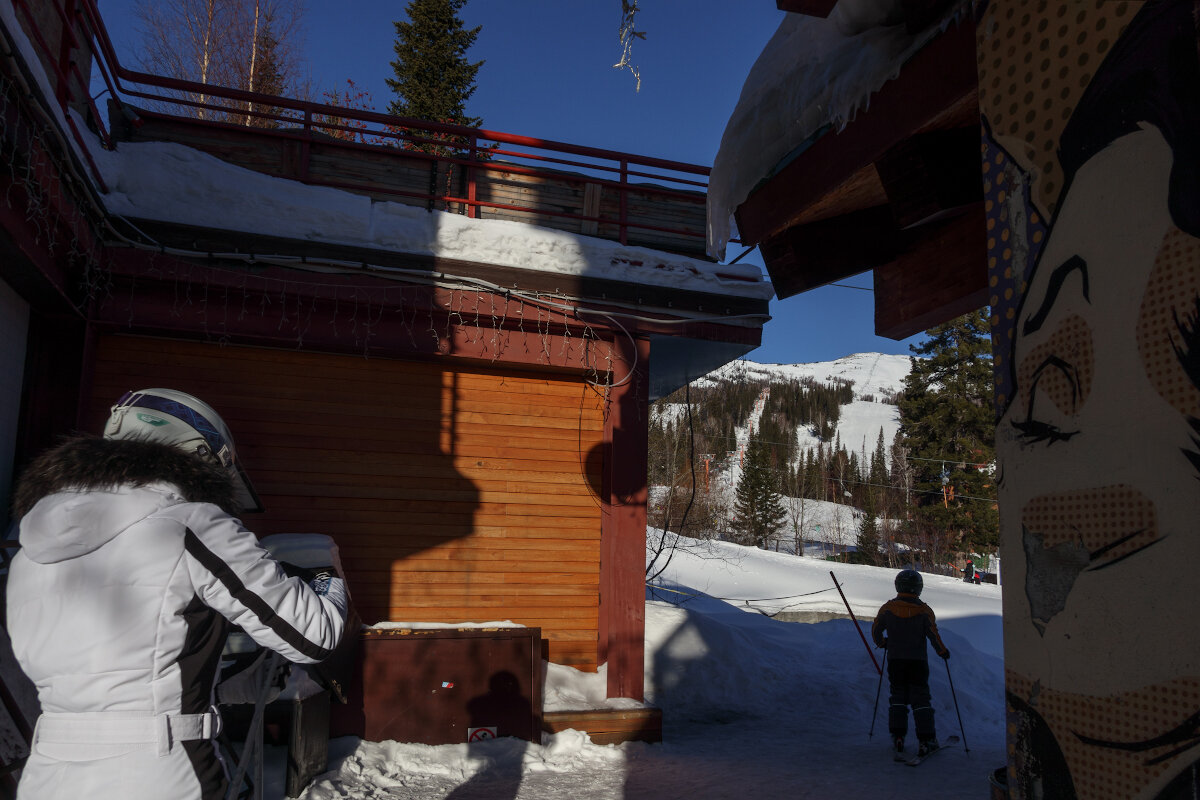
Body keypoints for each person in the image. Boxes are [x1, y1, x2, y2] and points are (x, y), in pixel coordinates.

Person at [6, 388, 349, 800]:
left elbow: (112, 679)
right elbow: (314, 636)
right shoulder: (190, 523)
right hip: (161, 770)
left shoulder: (29, 549)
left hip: (48, 771)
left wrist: (232, 684)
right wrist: (324, 575)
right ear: (200, 457)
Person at [870, 569, 950, 758]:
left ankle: (898, 737)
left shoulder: (888, 608)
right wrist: (942, 651)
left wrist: (883, 643)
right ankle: (926, 740)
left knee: (897, 696)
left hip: (895, 661)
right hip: (917, 662)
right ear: (918, 588)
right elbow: (933, 634)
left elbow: (875, 630)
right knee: (920, 698)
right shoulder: (924, 610)